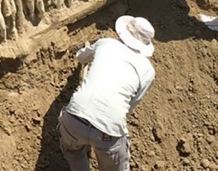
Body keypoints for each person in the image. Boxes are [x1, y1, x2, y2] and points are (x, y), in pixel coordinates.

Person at [58, 15, 156, 171]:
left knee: (73, 153)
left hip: (73, 120)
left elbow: (81, 57)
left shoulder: (105, 43)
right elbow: (132, 105)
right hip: (108, 131)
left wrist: (84, 53)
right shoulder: (148, 71)